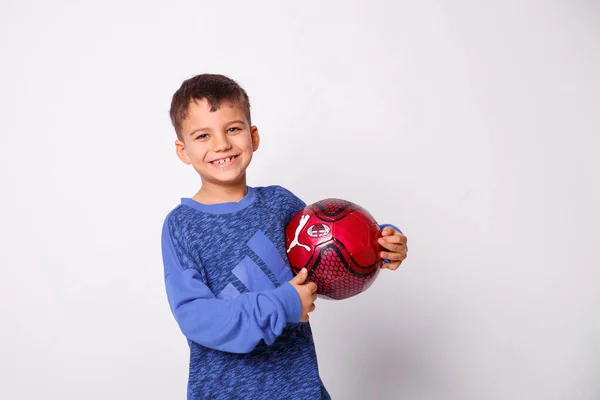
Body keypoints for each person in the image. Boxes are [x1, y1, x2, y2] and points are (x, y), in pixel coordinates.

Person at [161, 74, 408, 399]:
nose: (221, 144)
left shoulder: (280, 204)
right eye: (203, 135)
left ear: (254, 136)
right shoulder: (181, 225)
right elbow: (195, 318)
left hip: (298, 388)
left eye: (233, 129)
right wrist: (282, 303)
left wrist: (379, 246)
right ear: (183, 150)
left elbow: (332, 247)